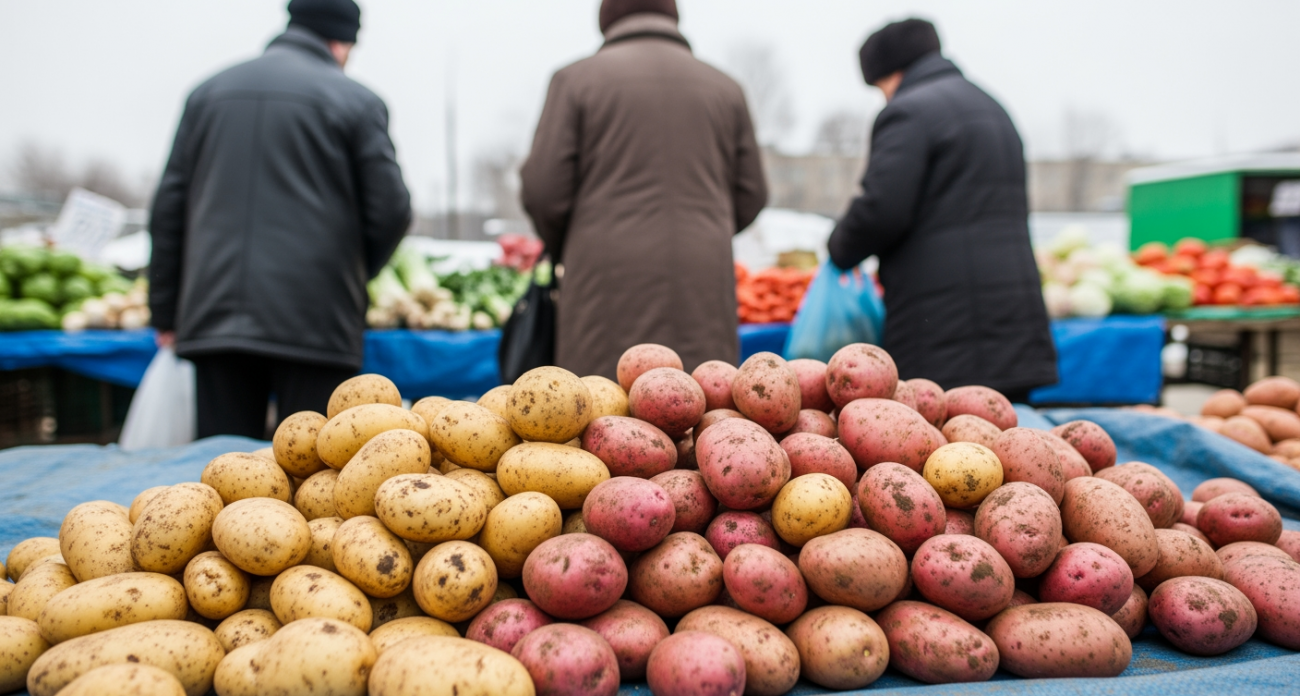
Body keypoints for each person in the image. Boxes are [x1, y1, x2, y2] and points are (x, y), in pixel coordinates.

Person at [149, 0, 411, 438]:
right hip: (316, 319)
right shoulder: (357, 101)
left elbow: (169, 208)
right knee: (314, 461)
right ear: (341, 42)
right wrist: (350, 274)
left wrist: (165, 309)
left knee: (223, 463)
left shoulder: (208, 93)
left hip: (214, 314)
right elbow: (392, 210)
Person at [520, 0, 768, 378]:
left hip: (603, 283)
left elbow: (543, 191)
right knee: (704, 398)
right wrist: (706, 226)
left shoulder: (575, 81)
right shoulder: (726, 88)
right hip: (701, 281)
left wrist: (572, 244)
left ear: (607, 19)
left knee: (600, 402)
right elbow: (752, 193)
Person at [827, 18, 1056, 401]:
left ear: (891, 73)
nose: (884, 99)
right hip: (1013, 322)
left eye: (880, 88)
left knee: (944, 431)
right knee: (1007, 426)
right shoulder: (991, 106)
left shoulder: (908, 112)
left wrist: (839, 247)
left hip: (945, 328)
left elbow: (882, 208)